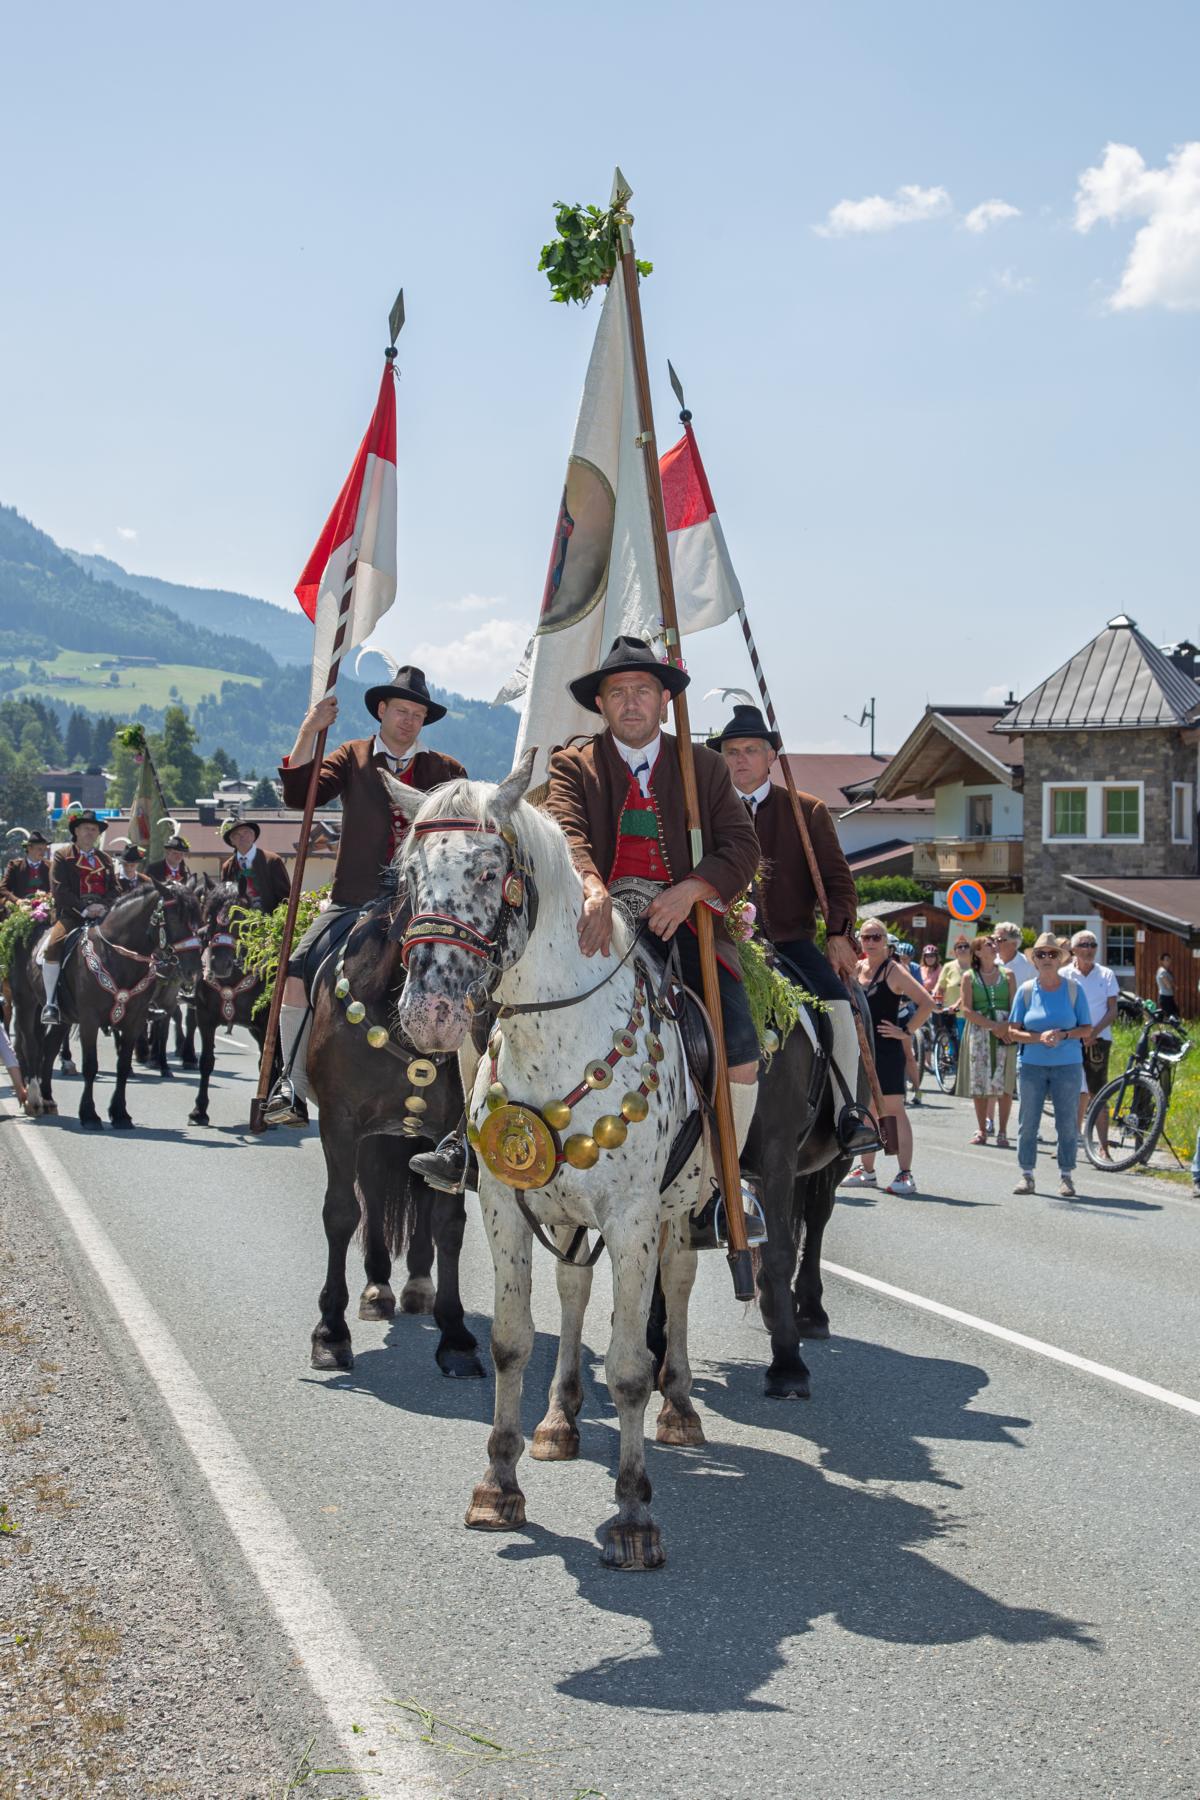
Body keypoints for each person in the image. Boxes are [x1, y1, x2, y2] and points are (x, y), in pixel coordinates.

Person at [537, 637, 762, 1171]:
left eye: (643, 690)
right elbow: (565, 831)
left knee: (740, 1046)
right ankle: (476, 1143)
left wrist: (691, 890)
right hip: (594, 925)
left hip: (687, 927)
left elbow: (742, 845)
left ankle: (724, 1176)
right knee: (503, 1010)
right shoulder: (573, 764)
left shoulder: (703, 766)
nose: (631, 702)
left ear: (664, 701)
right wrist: (592, 887)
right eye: (618, 693)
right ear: (600, 704)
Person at [269, 665, 467, 1127]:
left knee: (473, 971)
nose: (409, 721)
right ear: (381, 710)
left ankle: (470, 1097)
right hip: (354, 900)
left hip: (426, 903)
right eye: (402, 711)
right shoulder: (351, 757)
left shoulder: (446, 770)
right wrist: (309, 731)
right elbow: (300, 796)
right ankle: (291, 1084)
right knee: (296, 967)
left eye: (418, 714)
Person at [708, 701, 877, 1153]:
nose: (740, 759)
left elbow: (838, 882)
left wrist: (838, 933)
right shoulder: (704, 811)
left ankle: (848, 1112)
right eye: (731, 752)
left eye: (750, 750)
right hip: (720, 942)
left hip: (790, 943)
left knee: (839, 1006)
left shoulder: (806, 810)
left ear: (771, 757)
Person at [842, 918, 933, 1195]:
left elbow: (927, 1003)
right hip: (861, 1050)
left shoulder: (894, 970)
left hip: (886, 1050)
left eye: (876, 937)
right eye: (866, 937)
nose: (870, 942)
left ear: (886, 941)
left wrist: (905, 1031)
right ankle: (867, 1170)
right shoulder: (857, 968)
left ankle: (905, 1173)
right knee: (867, 1110)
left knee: (893, 1111)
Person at [1007, 932, 1091, 1197]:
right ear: (1034, 960)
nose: (1046, 958)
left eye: (1052, 954)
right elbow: (1012, 1031)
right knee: (1028, 1122)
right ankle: (1026, 1175)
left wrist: (1064, 1035)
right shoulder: (1026, 991)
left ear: (1060, 959)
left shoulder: (1074, 990)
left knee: (1066, 1123)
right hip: (1031, 1064)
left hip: (1068, 1065)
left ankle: (1066, 1176)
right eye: (1040, 954)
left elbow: (1086, 1028)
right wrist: (1038, 1038)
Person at [41, 812, 119, 1024]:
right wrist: (84, 909)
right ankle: (51, 1003)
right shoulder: (62, 856)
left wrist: (103, 906)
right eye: (86, 828)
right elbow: (59, 889)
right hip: (72, 915)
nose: (90, 832)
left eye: (94, 829)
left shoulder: (106, 859)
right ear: (76, 831)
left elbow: (115, 889)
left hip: (102, 915)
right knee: (53, 946)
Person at [1064, 929, 1121, 1162]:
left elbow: (1113, 1009)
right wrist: (1074, 1032)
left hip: (1098, 1039)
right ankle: (1070, 1140)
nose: (1089, 949)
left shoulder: (1106, 974)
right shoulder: (1064, 974)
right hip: (1071, 1039)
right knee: (1071, 1091)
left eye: (1093, 945)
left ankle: (1103, 1146)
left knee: (1098, 1091)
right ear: (1073, 950)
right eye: (1084, 945)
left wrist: (1093, 1032)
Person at [956, 933, 1016, 1145]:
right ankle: (982, 1129)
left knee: (1005, 1084)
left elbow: (1015, 1006)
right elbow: (967, 1010)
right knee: (980, 1083)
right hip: (979, 1031)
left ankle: (1003, 1132)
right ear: (978, 952)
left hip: (1005, 1031)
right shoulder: (969, 977)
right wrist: (993, 1026)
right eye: (988, 944)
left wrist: (1005, 1027)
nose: (994, 946)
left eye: (994, 943)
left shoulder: (1008, 975)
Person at [218, 818, 291, 914]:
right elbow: (225, 898)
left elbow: (285, 897)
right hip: (237, 919)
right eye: (236, 835)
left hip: (268, 919)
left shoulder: (272, 860)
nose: (242, 837)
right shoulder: (227, 867)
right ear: (232, 841)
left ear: (253, 836)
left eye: (246, 833)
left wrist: (280, 918)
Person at [1, 830, 52, 904]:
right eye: (40, 849)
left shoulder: (50, 866)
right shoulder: (15, 866)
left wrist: (48, 897)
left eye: (45, 849)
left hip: (46, 907)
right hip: (20, 908)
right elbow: (2, 888)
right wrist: (17, 900)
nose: (43, 853)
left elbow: (56, 888)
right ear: (29, 848)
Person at [994, 922, 1034, 989]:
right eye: (994, 939)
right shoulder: (990, 962)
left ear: (1014, 944)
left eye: (999, 940)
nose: (995, 942)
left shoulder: (1029, 965)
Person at [1155, 952, 1179, 1022]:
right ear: (1162, 961)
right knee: (1172, 1017)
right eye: (1167, 960)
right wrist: (1173, 985)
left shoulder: (1166, 971)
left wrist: (1172, 984)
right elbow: (1168, 985)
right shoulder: (1162, 971)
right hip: (1165, 998)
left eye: (1169, 960)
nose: (1169, 961)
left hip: (1169, 997)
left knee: (1174, 1015)